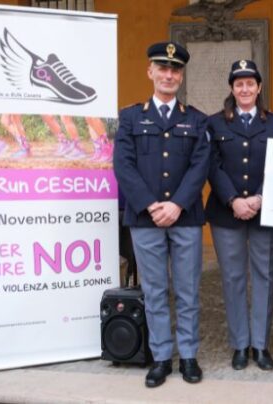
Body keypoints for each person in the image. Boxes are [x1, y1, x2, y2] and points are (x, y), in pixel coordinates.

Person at [113, 41, 209, 388]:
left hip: (185, 218)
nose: (169, 75)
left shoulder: (195, 119)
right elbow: (122, 165)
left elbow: (200, 166)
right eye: (162, 68)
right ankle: (161, 357)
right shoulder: (130, 117)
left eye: (175, 70)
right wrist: (151, 205)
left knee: (187, 291)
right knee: (154, 292)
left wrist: (177, 204)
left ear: (181, 76)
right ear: (150, 72)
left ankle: (188, 356)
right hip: (145, 219)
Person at [206, 59, 273, 372]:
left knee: (266, 278)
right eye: (238, 83)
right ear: (232, 88)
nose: (244, 88)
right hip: (226, 213)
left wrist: (258, 197)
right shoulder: (215, 123)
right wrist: (232, 200)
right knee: (233, 278)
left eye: (250, 83)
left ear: (258, 88)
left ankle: (260, 345)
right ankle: (240, 344)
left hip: (265, 211)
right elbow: (212, 165)